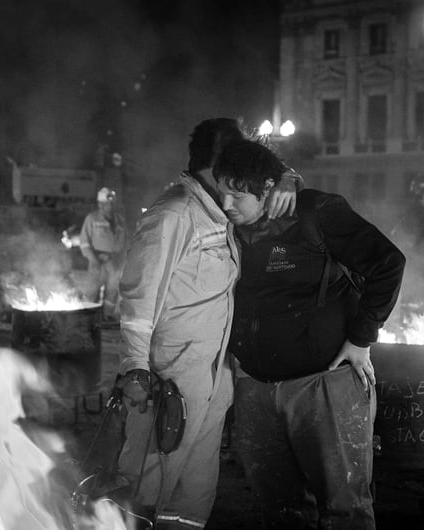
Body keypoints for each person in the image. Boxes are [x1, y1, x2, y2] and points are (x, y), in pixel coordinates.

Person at [114, 118, 300, 529]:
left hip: (212, 377)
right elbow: (138, 300)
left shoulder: (221, 210)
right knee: (147, 483)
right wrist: (136, 368)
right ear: (220, 161)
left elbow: (267, 180)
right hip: (167, 378)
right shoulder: (174, 214)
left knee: (192, 492)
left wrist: (287, 177)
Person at [214, 140, 405, 529]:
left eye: (237, 195)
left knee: (345, 509)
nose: (227, 204)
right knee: (280, 511)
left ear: (266, 189)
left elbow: (388, 263)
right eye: (223, 194)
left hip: (323, 387)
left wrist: (361, 338)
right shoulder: (227, 229)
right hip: (256, 389)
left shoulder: (317, 213)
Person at [391, 176, 424, 316]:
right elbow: (405, 236)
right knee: (411, 294)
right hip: (415, 261)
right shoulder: (412, 213)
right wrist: (418, 248)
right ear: (423, 196)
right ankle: (408, 322)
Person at [79, 187, 126, 319]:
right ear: (100, 204)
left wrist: (121, 261)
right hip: (97, 262)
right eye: (107, 203)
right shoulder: (92, 219)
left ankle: (107, 316)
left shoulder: (120, 220)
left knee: (112, 292)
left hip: (115, 263)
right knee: (91, 292)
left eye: (112, 203)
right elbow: (85, 243)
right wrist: (94, 260)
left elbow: (124, 242)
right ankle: (87, 318)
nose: (110, 205)